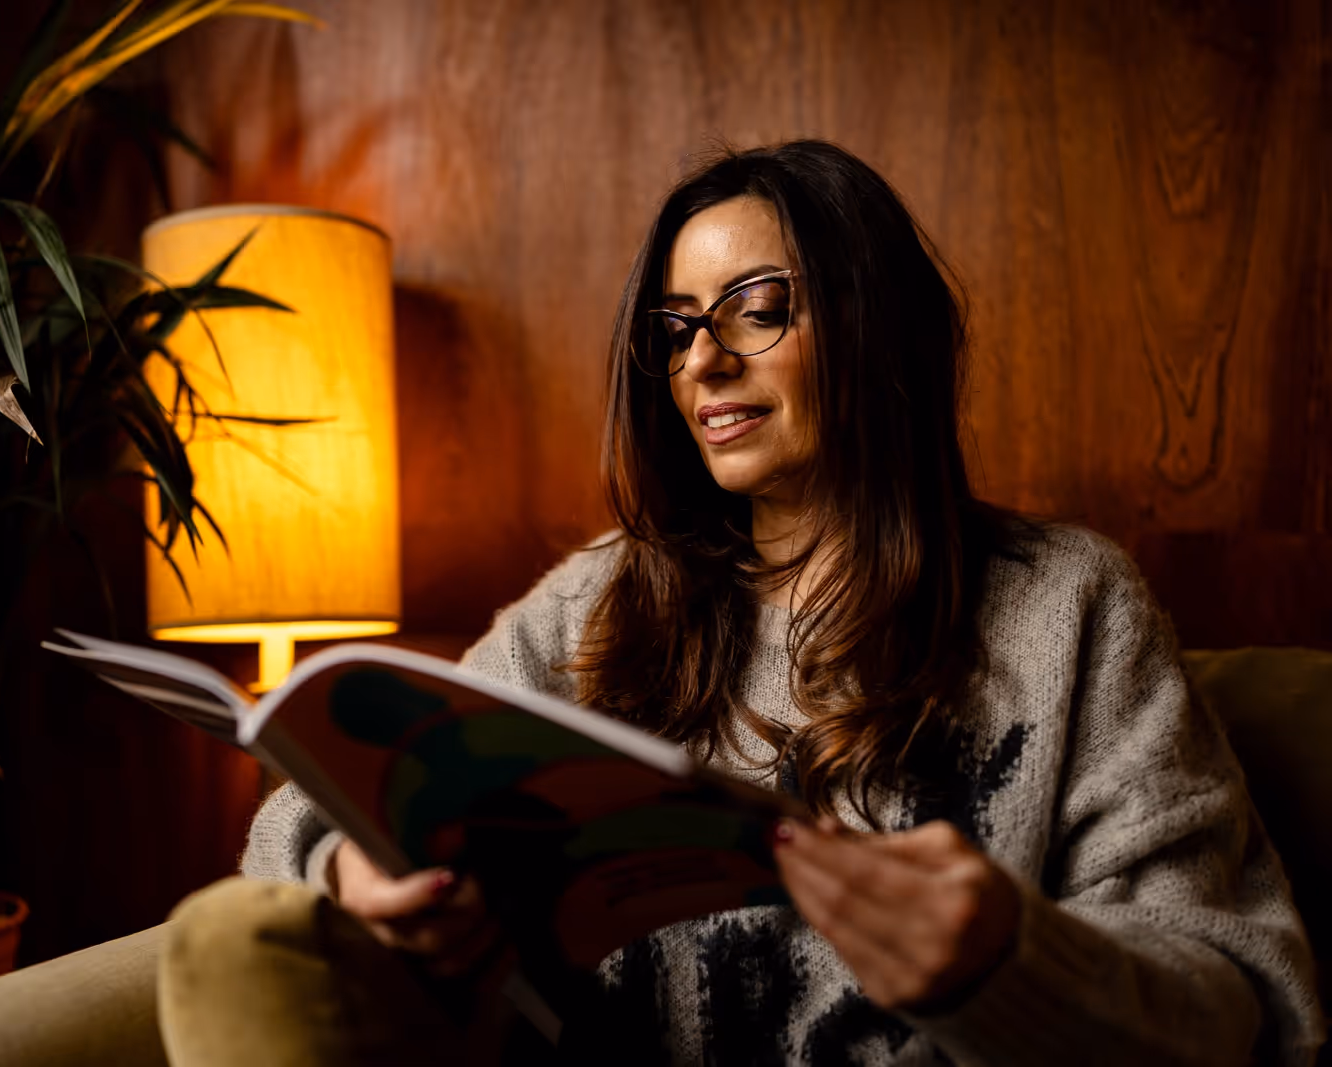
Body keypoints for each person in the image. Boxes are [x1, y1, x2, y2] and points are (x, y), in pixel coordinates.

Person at [171, 141, 1323, 1066]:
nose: (702, 361)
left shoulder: (1068, 605)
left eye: (756, 307)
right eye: (675, 327)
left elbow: (1230, 992)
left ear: (876, 324)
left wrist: (1007, 960)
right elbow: (296, 834)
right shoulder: (597, 601)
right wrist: (352, 873)